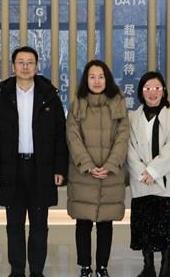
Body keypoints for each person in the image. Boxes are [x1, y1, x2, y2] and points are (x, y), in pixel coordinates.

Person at [0, 45, 68, 277]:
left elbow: (59, 137)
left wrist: (60, 168)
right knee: (14, 224)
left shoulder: (49, 98)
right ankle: (17, 270)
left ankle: (37, 271)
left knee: (39, 224)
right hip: (11, 168)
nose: (25, 66)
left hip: (41, 168)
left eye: (30, 62)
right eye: (20, 62)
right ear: (13, 67)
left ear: (37, 66)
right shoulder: (2, 99)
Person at [65, 60, 130, 277]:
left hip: (110, 174)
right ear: (86, 80)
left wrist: (110, 165)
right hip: (84, 174)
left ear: (107, 79)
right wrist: (88, 165)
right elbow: (73, 137)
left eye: (101, 76)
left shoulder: (118, 104)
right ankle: (85, 266)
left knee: (105, 223)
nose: (96, 81)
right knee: (83, 223)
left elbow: (123, 137)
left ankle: (102, 266)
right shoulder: (77, 104)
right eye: (92, 77)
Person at [127, 71, 170, 277]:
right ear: (141, 92)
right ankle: (148, 266)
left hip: (163, 182)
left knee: (165, 229)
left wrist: (153, 171)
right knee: (144, 227)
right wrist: (142, 173)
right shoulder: (131, 118)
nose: (152, 92)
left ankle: (165, 268)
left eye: (157, 88)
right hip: (141, 182)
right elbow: (129, 149)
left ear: (164, 91)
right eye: (147, 88)